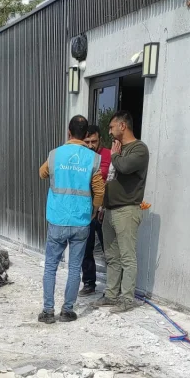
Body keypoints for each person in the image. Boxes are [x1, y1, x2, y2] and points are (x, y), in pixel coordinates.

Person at [38, 115, 104, 323]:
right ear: (85, 134)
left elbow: (42, 173)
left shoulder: (55, 154)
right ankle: (67, 310)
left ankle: (48, 311)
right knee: (75, 268)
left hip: (57, 218)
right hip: (81, 220)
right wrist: (94, 210)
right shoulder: (93, 158)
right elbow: (99, 191)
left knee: (51, 266)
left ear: (69, 132)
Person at [99, 111, 149, 312]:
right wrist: (103, 206)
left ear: (123, 126)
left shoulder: (139, 149)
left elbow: (125, 167)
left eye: (112, 127)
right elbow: (110, 178)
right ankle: (111, 295)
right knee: (112, 257)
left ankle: (127, 299)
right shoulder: (118, 149)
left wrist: (114, 155)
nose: (110, 132)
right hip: (110, 210)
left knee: (127, 257)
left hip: (127, 210)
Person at [80, 125, 112, 297]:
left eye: (94, 141)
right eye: (87, 142)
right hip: (86, 210)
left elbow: (109, 179)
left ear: (100, 140)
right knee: (86, 249)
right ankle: (89, 283)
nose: (91, 145)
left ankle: (113, 287)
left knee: (109, 250)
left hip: (104, 210)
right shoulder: (80, 157)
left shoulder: (108, 155)